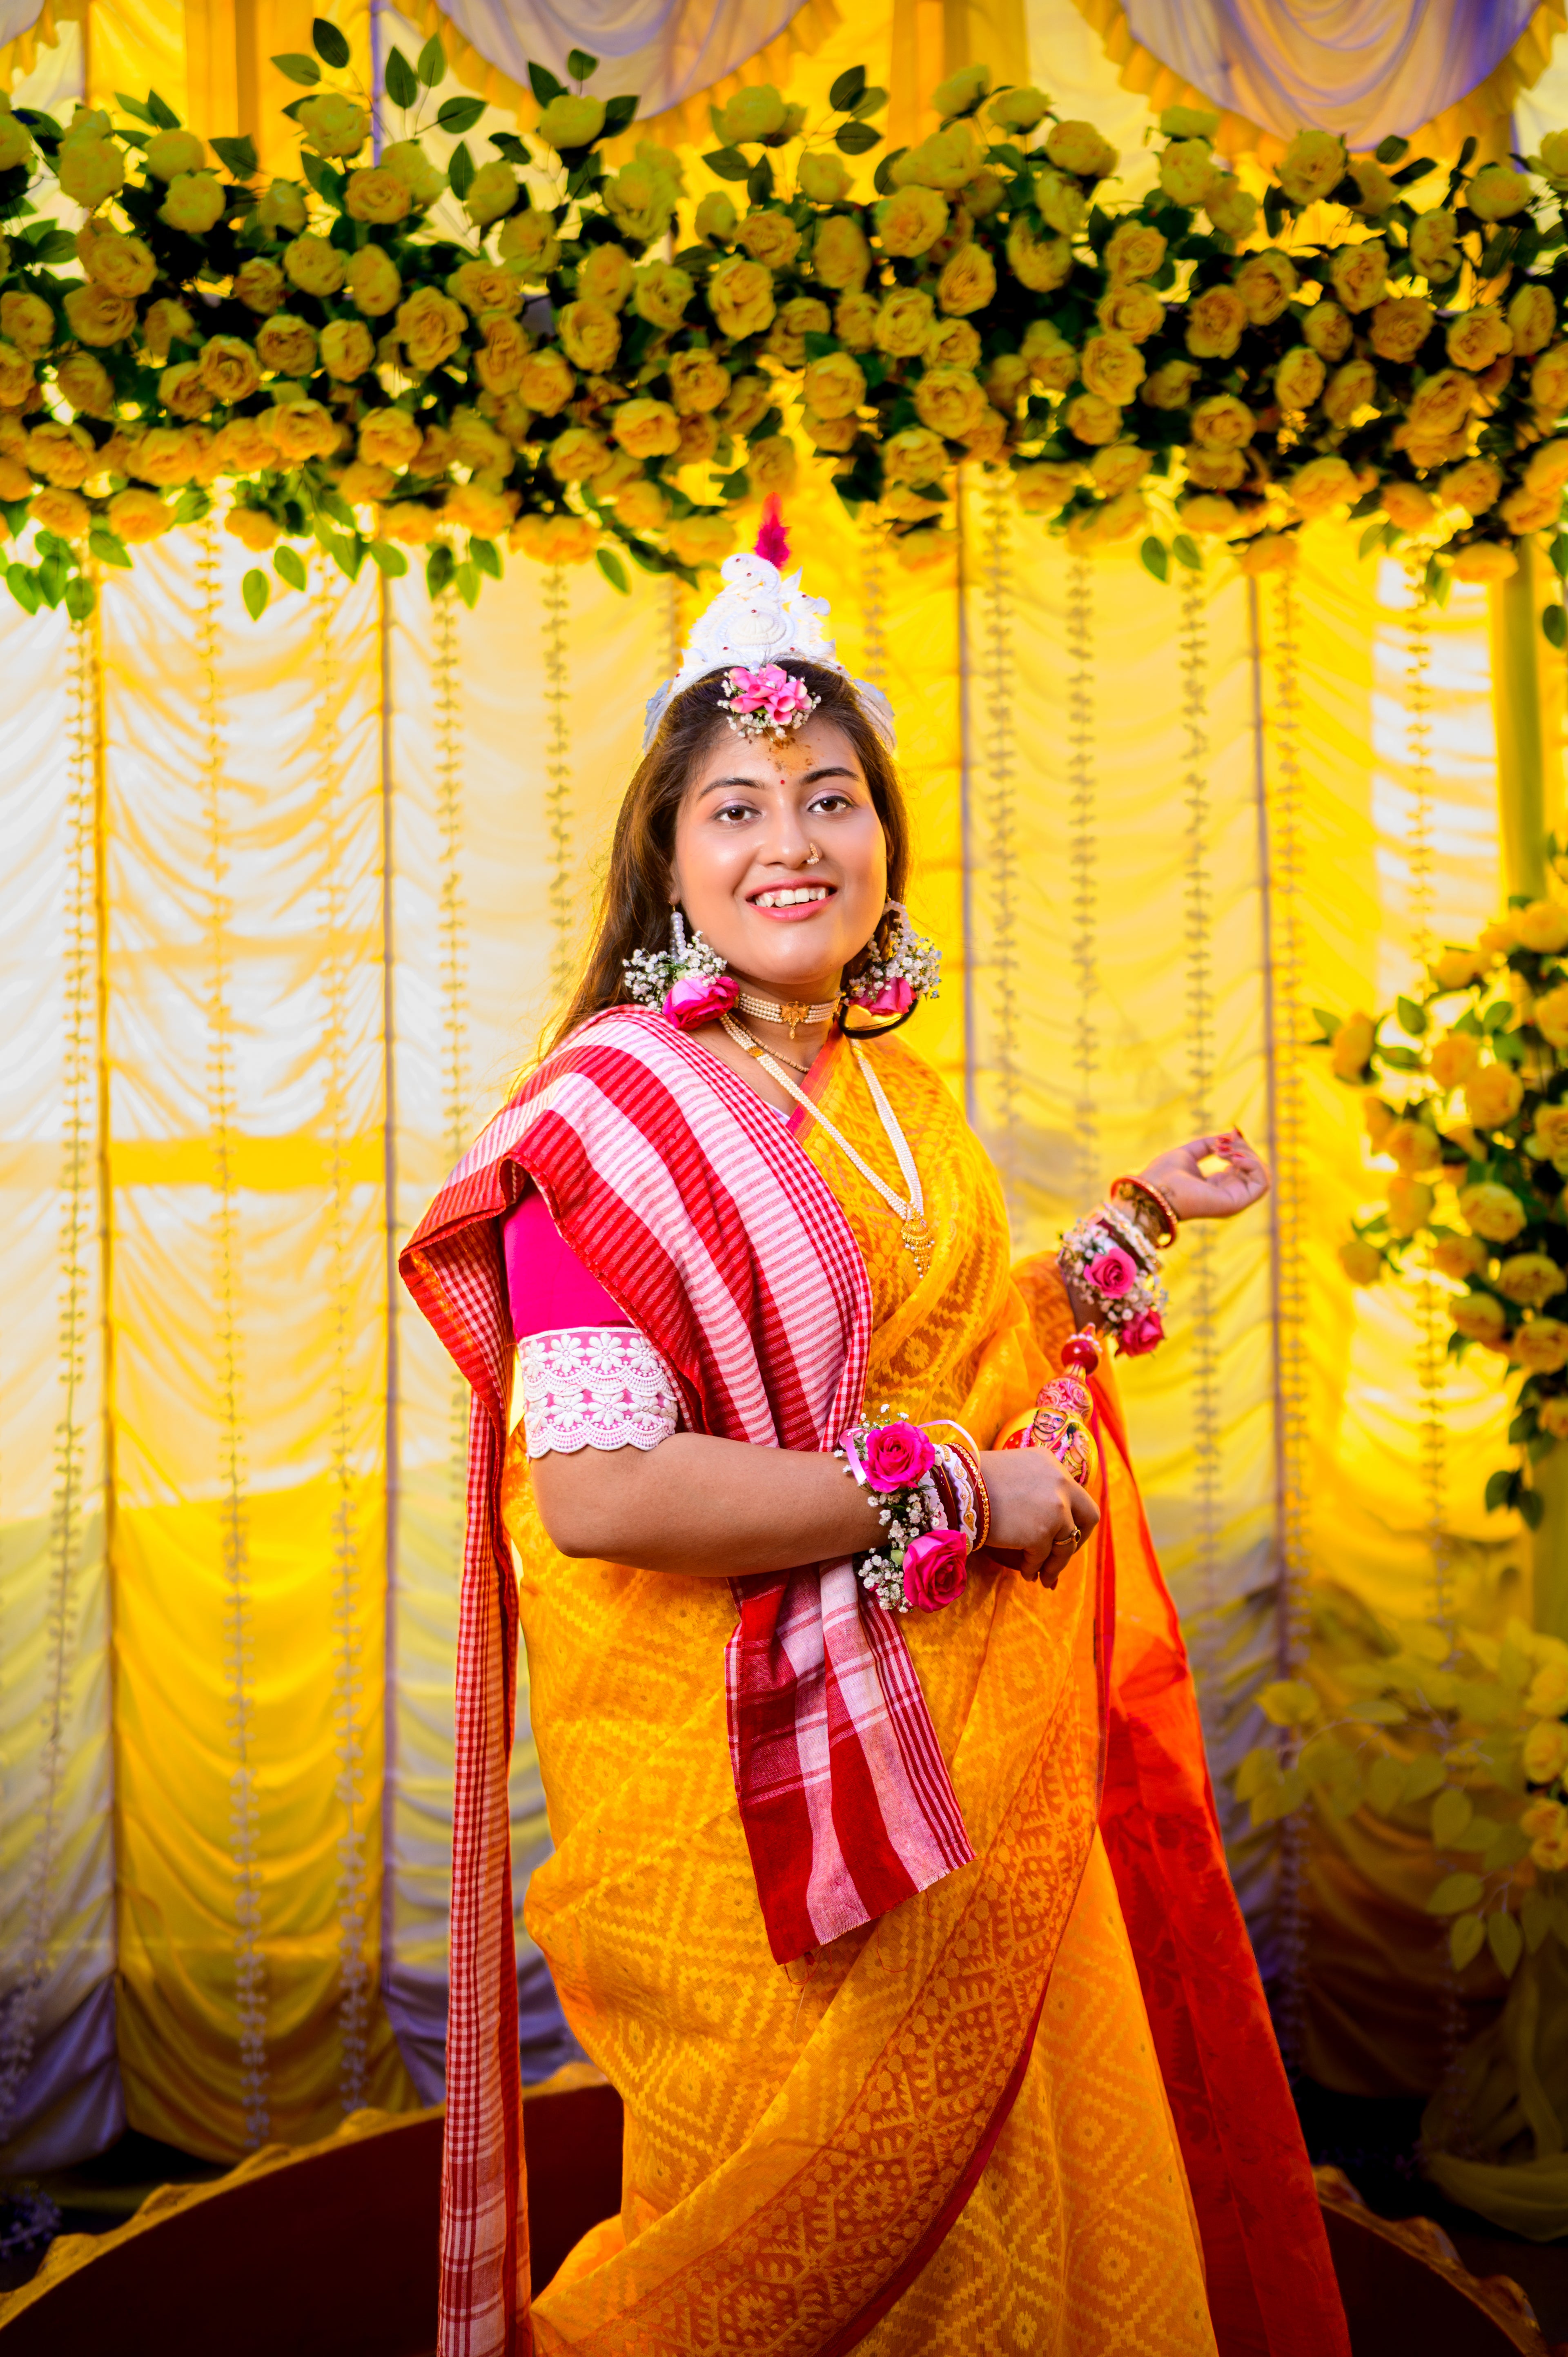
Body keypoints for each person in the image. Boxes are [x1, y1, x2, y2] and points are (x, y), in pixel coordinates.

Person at [403, 548, 1350, 2357]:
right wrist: (953, 1498)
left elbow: (946, 1340)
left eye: (833, 801)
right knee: (787, 2237)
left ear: (886, 842)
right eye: (740, 806)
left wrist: (1139, 1215)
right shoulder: (600, 1128)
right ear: (668, 862)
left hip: (969, 1773)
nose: (796, 841)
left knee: (1020, 2223)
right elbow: (604, 1495)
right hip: (753, 1810)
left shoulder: (889, 1091)